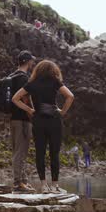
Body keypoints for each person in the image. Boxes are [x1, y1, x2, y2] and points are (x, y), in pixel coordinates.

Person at [12, 60, 74, 194]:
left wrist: (29, 109)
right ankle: (55, 186)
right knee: (54, 154)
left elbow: (15, 98)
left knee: (40, 153)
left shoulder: (32, 84)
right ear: (53, 71)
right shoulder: (55, 82)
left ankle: (44, 186)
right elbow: (70, 96)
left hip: (38, 121)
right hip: (54, 121)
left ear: (38, 71)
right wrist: (62, 112)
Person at [10, 51, 36, 192]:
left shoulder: (12, 76)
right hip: (22, 119)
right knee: (20, 151)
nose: (33, 63)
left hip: (14, 118)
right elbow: (25, 98)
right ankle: (18, 183)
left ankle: (23, 181)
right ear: (27, 61)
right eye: (31, 61)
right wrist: (31, 113)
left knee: (19, 150)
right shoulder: (23, 78)